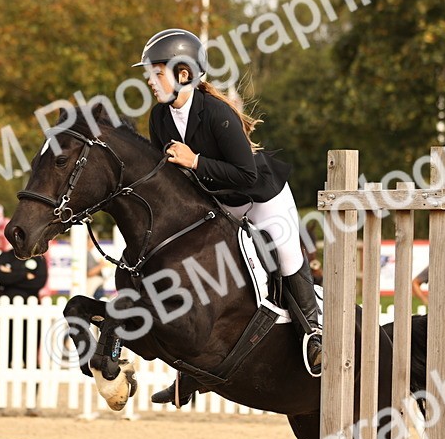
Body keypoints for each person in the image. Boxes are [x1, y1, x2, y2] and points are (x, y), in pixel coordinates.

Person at [133, 28, 322, 406]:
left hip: (259, 196)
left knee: (286, 258)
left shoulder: (216, 113)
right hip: (216, 201)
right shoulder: (160, 118)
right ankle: (191, 370)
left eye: (156, 73)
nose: (150, 82)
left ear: (183, 74)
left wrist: (197, 161)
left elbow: (246, 174)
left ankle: (315, 334)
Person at [0, 243, 48, 415]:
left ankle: (32, 403)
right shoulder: (5, 256)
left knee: (30, 357)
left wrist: (12, 275)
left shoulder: (38, 258)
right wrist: (25, 275)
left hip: (30, 316)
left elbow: (39, 282)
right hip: (4, 314)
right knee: (2, 357)